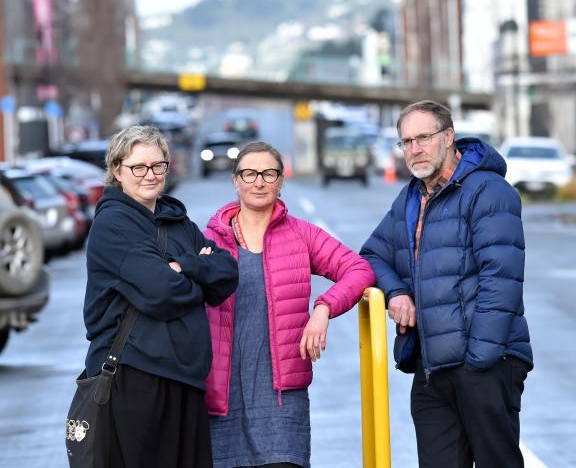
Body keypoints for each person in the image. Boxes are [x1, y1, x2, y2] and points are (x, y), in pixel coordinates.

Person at [360, 101, 533, 468]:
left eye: (423, 137)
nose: (414, 149)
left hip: (485, 363)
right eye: (406, 141)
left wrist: (478, 362)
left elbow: (500, 279)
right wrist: (396, 291)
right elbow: (372, 254)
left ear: (449, 137)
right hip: (431, 369)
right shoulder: (410, 198)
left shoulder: (488, 191)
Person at [203, 141, 375, 468]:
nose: (259, 182)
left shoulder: (301, 234)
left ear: (281, 182)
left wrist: (323, 308)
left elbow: (359, 269)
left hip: (282, 405)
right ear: (235, 180)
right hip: (221, 402)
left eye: (269, 173)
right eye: (249, 173)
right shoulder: (208, 241)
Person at [82, 125, 239, 468]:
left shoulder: (176, 221)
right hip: (136, 377)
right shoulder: (113, 225)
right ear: (117, 170)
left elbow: (227, 273)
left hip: (187, 378)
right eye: (139, 167)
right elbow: (162, 291)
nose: (149, 175)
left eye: (158, 166)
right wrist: (197, 270)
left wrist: (181, 266)